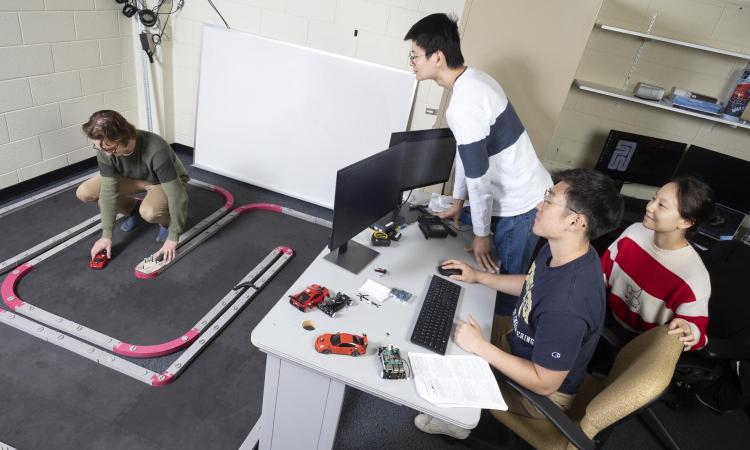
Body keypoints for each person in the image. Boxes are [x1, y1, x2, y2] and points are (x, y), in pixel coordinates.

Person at [414, 169, 624, 439]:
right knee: (453, 322)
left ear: (575, 222)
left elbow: (544, 383)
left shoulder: (567, 307)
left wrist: (480, 347)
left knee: (445, 361)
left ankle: (458, 423)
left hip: (540, 393)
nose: (539, 205)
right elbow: (534, 282)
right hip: (520, 342)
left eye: (548, 200)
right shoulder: (568, 249)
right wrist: (480, 277)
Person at [404, 14, 553, 316]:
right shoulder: (475, 79)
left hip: (519, 206)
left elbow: (479, 178)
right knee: (491, 276)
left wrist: (482, 235)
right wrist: (458, 201)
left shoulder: (464, 105)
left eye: (415, 56)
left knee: (504, 293)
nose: (412, 63)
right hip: (526, 191)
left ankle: (499, 348)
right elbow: (467, 153)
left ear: (438, 57)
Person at [601, 177, 714, 352]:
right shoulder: (635, 231)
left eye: (662, 205)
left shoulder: (694, 278)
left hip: (640, 344)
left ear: (685, 222)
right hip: (605, 312)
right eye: (654, 198)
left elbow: (695, 333)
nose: (649, 207)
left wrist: (688, 330)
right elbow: (603, 274)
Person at [77, 110, 189, 264]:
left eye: (109, 149)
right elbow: (108, 192)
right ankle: (133, 209)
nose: (106, 154)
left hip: (162, 181)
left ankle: (166, 222)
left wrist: (174, 236)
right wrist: (106, 235)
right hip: (134, 178)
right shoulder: (106, 149)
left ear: (124, 137)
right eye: (99, 148)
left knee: (150, 212)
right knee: (85, 192)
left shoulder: (156, 149)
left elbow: (177, 195)